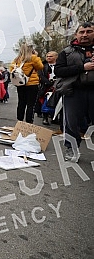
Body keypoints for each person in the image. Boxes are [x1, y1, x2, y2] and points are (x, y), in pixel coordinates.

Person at [55, 22, 94, 162]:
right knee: (71, 123)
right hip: (73, 91)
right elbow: (58, 71)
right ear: (76, 34)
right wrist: (82, 67)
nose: (85, 35)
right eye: (82, 32)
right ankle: (71, 148)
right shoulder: (66, 52)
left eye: (89, 31)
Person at [10, 44, 43, 124]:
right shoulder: (33, 58)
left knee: (21, 103)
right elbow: (40, 67)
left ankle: (20, 121)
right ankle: (29, 122)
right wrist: (36, 55)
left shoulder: (17, 59)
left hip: (21, 84)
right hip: (32, 84)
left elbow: (11, 69)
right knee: (31, 105)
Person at [38, 51, 58, 125]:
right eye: (47, 56)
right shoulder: (43, 66)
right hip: (46, 87)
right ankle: (45, 118)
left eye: (51, 56)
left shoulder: (60, 65)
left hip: (57, 86)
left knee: (57, 103)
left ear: (56, 57)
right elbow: (40, 76)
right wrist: (48, 83)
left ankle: (54, 118)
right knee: (45, 102)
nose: (48, 58)